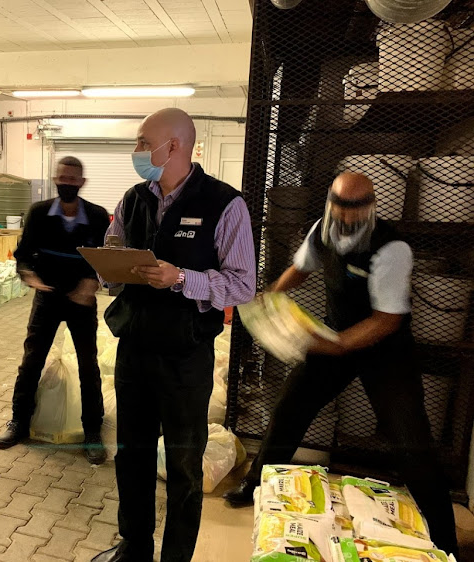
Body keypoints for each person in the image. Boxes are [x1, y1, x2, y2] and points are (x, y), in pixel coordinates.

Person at [223, 172, 459, 557]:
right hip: (336, 336)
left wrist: (336, 346)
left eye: (357, 207)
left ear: (372, 205)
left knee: (411, 441)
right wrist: (272, 298)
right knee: (289, 408)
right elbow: (301, 268)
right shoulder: (322, 230)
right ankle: (254, 486)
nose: (348, 216)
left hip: (385, 350)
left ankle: (446, 541)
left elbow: (387, 320)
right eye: (341, 205)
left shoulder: (391, 248)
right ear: (329, 201)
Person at [92, 108, 256, 562]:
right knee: (132, 456)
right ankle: (135, 546)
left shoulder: (224, 204)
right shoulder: (133, 199)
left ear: (175, 146)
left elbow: (242, 284)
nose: (137, 152)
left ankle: (176, 556)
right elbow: (113, 250)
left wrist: (182, 278)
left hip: (186, 358)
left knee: (184, 467)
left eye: (144, 143)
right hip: (136, 350)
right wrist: (108, 270)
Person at [0, 156, 111, 465]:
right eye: (63, 178)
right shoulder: (38, 213)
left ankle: (92, 433)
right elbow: (23, 254)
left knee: (89, 366)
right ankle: (18, 422)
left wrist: (93, 282)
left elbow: (108, 259)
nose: (67, 184)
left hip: (82, 300)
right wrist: (29, 274)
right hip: (47, 297)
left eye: (73, 180)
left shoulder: (99, 217)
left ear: (82, 183)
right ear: (55, 179)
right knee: (31, 360)